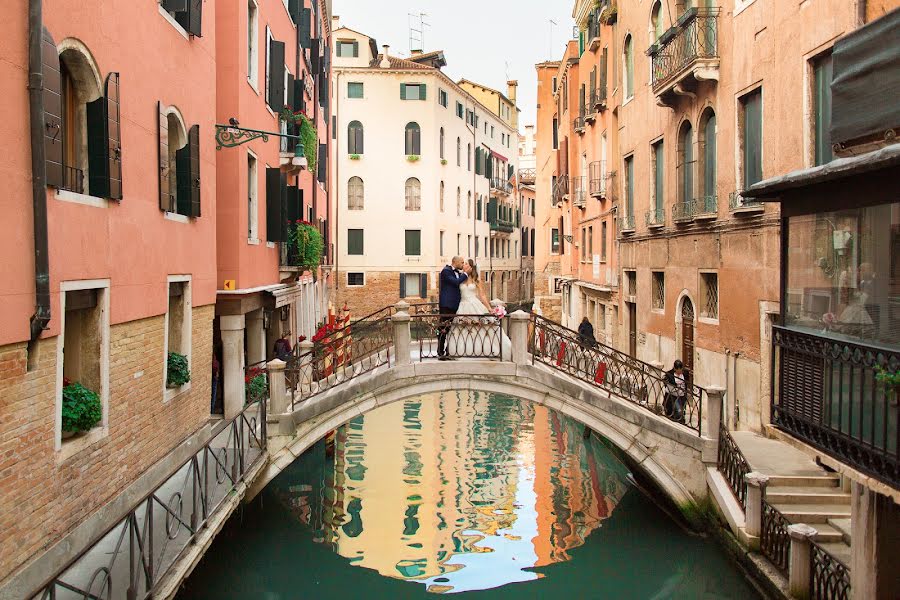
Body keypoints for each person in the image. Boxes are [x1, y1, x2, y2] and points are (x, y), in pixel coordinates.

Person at [446, 260, 513, 358]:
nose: (464, 265)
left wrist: (489, 308)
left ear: (471, 267)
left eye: (466, 264)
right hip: (463, 306)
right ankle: (463, 351)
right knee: (462, 328)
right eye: (463, 263)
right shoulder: (460, 278)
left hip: (474, 305)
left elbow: (482, 295)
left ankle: (483, 350)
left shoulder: (476, 280)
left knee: (480, 328)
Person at [437, 256, 469, 360]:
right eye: (462, 262)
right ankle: (440, 352)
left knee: (452, 329)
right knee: (443, 328)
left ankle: (449, 351)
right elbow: (456, 282)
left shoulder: (459, 273)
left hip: (456, 305)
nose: (463, 264)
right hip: (446, 304)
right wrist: (466, 274)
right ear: (455, 262)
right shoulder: (446, 271)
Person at [664, 360, 690, 424]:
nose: (679, 372)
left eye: (681, 370)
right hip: (674, 396)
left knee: (682, 411)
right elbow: (666, 384)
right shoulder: (669, 374)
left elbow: (686, 382)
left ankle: (680, 422)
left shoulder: (685, 373)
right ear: (675, 369)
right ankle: (679, 422)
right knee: (679, 410)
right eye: (678, 370)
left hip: (682, 396)